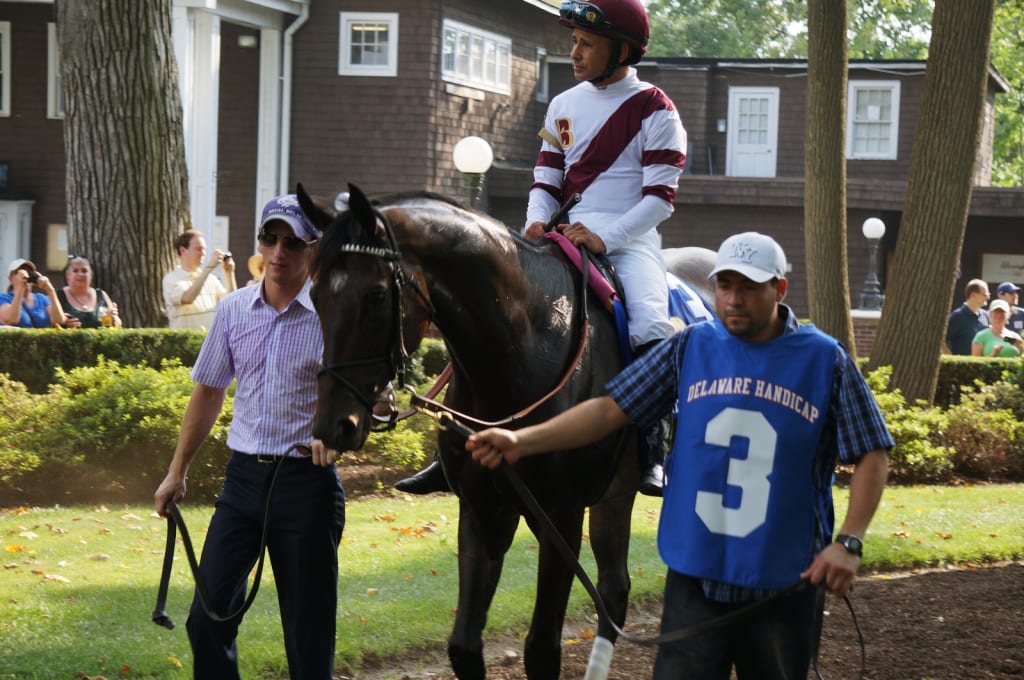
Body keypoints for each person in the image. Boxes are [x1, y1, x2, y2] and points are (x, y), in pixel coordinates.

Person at [466, 232, 892, 680]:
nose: (733, 299)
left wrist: (848, 541)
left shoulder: (825, 359)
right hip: (697, 572)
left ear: (779, 289)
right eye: (725, 286)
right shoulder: (690, 346)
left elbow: (872, 450)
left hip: (783, 579)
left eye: (748, 287)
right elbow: (611, 408)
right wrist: (522, 440)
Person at [397, 0, 685, 497]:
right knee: (487, 311)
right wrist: (534, 223)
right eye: (573, 41)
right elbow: (546, 179)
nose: (574, 52)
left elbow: (660, 199)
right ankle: (451, 448)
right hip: (558, 235)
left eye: (586, 43)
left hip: (628, 244)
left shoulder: (656, 109)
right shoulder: (563, 104)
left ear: (621, 49)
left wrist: (606, 237)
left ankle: (650, 445)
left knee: (652, 324)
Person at [153, 194, 345, 680]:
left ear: (313, 249)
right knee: (206, 621)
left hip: (307, 486)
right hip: (242, 485)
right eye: (270, 239)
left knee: (307, 637)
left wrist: (338, 434)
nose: (279, 252)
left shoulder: (335, 313)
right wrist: (177, 472)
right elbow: (208, 394)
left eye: (293, 242)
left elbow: (366, 399)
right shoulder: (235, 309)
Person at [162, 229, 237, 329]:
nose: (203, 253)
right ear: (183, 250)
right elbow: (187, 298)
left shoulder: (211, 279)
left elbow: (231, 304)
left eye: (204, 249)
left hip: (210, 343)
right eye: (198, 249)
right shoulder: (171, 279)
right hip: (184, 343)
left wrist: (229, 273)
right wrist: (209, 268)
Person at [57, 255, 122, 328]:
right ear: (68, 275)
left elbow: (117, 325)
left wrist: (114, 318)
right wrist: (63, 323)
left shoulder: (101, 295)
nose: (80, 274)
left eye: (84, 271)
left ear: (91, 275)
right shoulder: (58, 296)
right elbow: (50, 324)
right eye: (75, 271)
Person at [0, 259, 68, 328]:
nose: (26, 275)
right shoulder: (3, 298)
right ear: (10, 279)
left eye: (29, 272)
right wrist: (20, 288)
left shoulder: (41, 299)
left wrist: (50, 290)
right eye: (19, 273)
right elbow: (12, 319)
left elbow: (59, 320)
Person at [945, 279, 990, 355]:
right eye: (985, 295)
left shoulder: (986, 315)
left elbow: (996, 335)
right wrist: (951, 359)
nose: (988, 297)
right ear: (973, 295)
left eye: (988, 294)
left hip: (982, 364)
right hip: (962, 365)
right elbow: (941, 340)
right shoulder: (957, 316)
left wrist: (1012, 340)